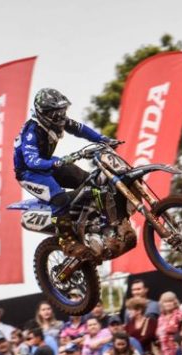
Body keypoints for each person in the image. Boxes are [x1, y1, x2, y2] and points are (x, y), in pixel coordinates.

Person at [14, 87, 118, 259]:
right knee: (60, 199)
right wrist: (55, 163)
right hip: (29, 173)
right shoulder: (31, 132)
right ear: (43, 113)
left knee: (89, 180)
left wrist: (102, 139)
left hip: (48, 163)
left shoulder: (57, 121)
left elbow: (79, 129)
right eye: (56, 113)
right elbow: (31, 161)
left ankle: (92, 222)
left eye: (62, 111)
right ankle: (68, 241)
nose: (61, 116)